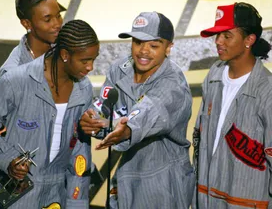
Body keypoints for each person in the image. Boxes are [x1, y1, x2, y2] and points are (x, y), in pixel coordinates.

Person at [80, 11, 195, 208]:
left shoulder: (173, 82)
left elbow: (149, 111)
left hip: (164, 181)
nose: (143, 51)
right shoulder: (119, 69)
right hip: (127, 174)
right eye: (138, 42)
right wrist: (92, 118)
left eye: (153, 45)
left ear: (169, 48)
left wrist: (126, 128)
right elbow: (103, 105)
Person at [192, 2, 272, 208]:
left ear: (249, 39)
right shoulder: (214, 75)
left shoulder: (271, 94)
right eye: (217, 35)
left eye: (227, 35)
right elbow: (200, 141)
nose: (218, 42)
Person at [0, 19, 99, 208]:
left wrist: (77, 204)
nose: (90, 67)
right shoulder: (17, 80)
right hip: (16, 193)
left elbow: (80, 151)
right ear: (64, 54)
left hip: (57, 194)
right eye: (85, 60)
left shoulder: (84, 88)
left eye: (93, 60)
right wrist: (7, 158)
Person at [0, 0, 66, 80]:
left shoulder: (66, 52)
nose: (57, 24)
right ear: (27, 24)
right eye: (48, 19)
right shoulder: (12, 75)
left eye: (58, 16)